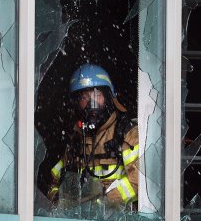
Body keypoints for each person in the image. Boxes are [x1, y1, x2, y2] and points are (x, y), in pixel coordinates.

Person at [47, 63, 139, 209]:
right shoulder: (77, 140)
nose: (91, 103)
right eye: (84, 97)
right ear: (77, 103)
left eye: (96, 95)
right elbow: (54, 181)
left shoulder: (127, 133)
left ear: (109, 97)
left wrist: (106, 201)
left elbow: (139, 180)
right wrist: (61, 201)